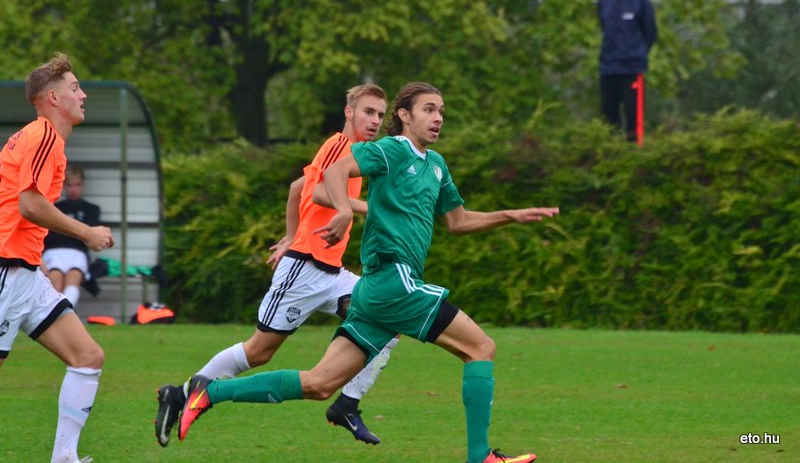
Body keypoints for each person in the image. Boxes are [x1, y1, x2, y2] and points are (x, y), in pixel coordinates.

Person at [177, 82, 559, 463]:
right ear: (405, 116)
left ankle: (209, 393)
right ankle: (480, 457)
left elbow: (457, 221)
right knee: (481, 347)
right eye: (428, 109)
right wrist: (343, 209)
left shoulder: (437, 166)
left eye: (441, 110)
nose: (438, 117)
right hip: (394, 281)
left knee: (320, 384)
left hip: (377, 293)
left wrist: (510, 216)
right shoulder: (392, 150)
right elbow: (335, 172)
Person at [154, 83, 397, 447]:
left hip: (330, 273)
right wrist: (372, 211)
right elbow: (316, 192)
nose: (375, 120)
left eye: (380, 114)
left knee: (389, 318)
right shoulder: (338, 147)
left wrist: (290, 235)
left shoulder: (359, 153)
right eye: (368, 112)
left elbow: (297, 186)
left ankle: (347, 403)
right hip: (304, 270)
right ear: (349, 112)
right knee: (259, 351)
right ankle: (182, 392)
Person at [0, 53, 115, 463]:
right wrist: (86, 232)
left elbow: (20, 210)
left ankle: (64, 457)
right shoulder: (44, 135)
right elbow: (30, 204)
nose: (82, 95)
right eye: (74, 87)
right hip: (6, 271)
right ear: (52, 97)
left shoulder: (41, 138)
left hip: (25, 273)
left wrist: (39, 264)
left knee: (87, 357)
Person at [597, 0, 657, 142]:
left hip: (632, 68)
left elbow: (650, 33)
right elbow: (603, 28)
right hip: (608, 67)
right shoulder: (603, 1)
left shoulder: (640, 1)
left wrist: (636, 53)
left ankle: (634, 157)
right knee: (608, 115)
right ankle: (610, 156)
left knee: (633, 117)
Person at [42, 164, 102, 309]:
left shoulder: (92, 210)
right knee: (55, 279)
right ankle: (53, 316)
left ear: (83, 185)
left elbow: (89, 237)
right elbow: (48, 235)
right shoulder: (54, 208)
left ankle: (66, 313)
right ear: (63, 186)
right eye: (69, 185)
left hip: (77, 253)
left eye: (77, 185)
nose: (73, 189)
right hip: (53, 252)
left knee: (73, 277)